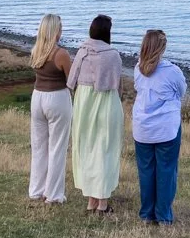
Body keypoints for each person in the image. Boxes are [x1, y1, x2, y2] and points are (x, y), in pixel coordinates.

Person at [68, 14, 124, 215]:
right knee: (105, 149)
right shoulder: (113, 55)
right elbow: (117, 84)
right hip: (105, 102)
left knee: (87, 148)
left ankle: (92, 200)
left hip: (84, 103)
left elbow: (71, 80)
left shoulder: (82, 52)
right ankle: (101, 202)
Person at [132, 29, 187, 226]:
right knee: (166, 171)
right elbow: (181, 91)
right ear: (162, 48)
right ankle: (163, 215)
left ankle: (147, 213)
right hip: (166, 129)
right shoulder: (172, 71)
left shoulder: (138, 68)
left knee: (146, 171)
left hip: (143, 128)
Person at [27, 13, 73, 205]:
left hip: (37, 97)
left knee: (39, 146)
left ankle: (36, 190)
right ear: (56, 30)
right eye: (60, 28)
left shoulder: (36, 50)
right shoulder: (61, 54)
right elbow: (72, 81)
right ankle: (53, 194)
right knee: (57, 147)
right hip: (57, 98)